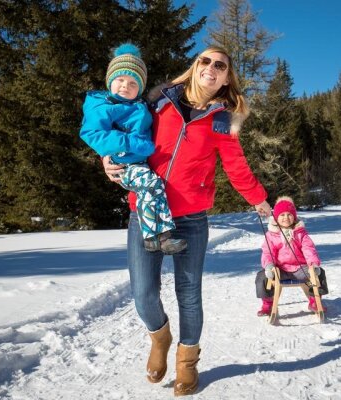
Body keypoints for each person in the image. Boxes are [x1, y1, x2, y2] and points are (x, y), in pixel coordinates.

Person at [102, 46, 270, 396]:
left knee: (189, 294)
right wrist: (107, 158)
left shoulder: (223, 120)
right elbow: (121, 128)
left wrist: (259, 200)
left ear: (226, 78)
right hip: (145, 211)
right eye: (205, 61)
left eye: (220, 65)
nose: (211, 67)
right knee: (143, 292)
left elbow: (237, 168)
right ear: (195, 67)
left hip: (192, 218)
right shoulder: (159, 101)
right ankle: (159, 338)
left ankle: (187, 363)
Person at [80, 43, 186, 255]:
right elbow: (91, 134)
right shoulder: (101, 106)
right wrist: (131, 143)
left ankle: (159, 238)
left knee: (153, 187)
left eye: (132, 83)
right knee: (150, 184)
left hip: (139, 162)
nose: (125, 86)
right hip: (123, 162)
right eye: (120, 80)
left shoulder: (139, 105)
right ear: (110, 81)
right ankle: (155, 237)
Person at [255, 196, 329, 316]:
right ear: (276, 217)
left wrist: (313, 265)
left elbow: (309, 249)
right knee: (262, 277)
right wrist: (269, 266)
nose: (286, 218)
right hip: (280, 270)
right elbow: (268, 252)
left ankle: (315, 300)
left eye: (289, 214)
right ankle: (267, 304)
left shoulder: (300, 233)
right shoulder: (272, 235)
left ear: (294, 216)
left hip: (300, 269)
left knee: (318, 274)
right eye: (282, 215)